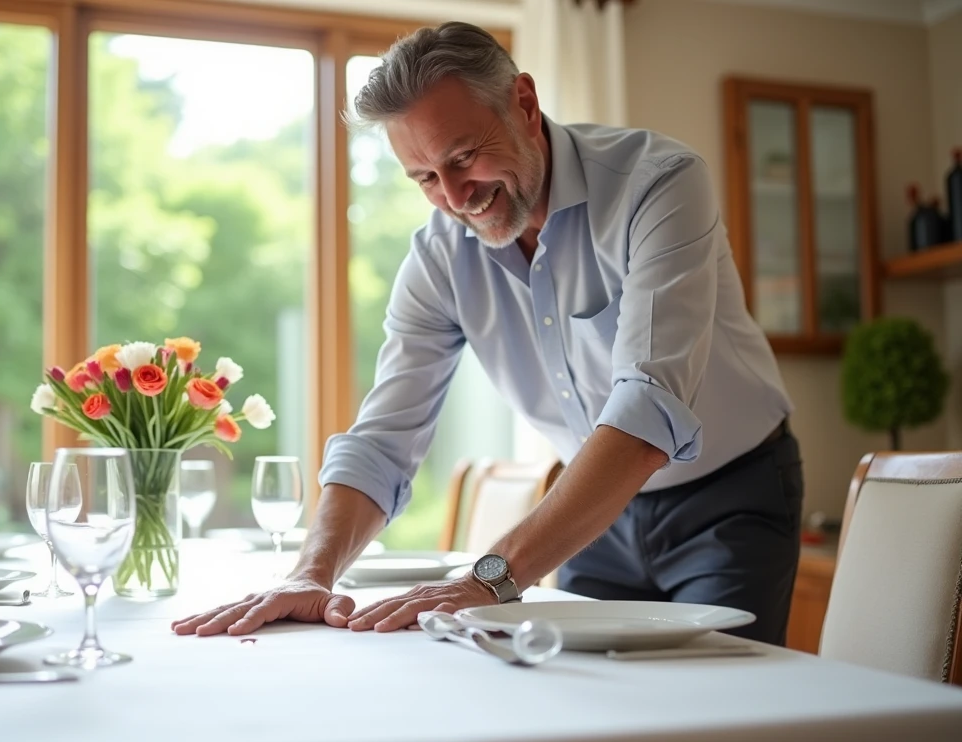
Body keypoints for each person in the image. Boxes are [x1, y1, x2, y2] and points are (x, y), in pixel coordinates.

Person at [173, 21, 803, 645]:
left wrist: (490, 577)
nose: (452, 197)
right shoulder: (440, 256)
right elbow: (383, 439)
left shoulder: (657, 183)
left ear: (524, 104)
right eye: (424, 178)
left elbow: (648, 408)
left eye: (463, 157)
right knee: (581, 712)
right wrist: (310, 573)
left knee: (722, 715)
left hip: (731, 498)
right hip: (595, 514)